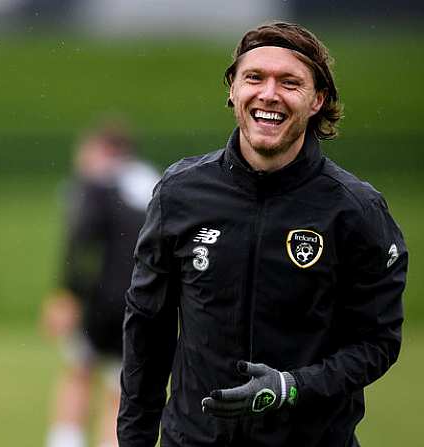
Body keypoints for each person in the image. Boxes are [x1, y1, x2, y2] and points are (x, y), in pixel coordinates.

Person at [118, 22, 407, 447]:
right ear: (233, 90)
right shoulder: (180, 194)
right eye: (254, 78)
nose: (269, 94)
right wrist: (134, 440)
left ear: (317, 101)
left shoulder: (355, 210)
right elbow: (147, 328)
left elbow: (377, 342)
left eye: (290, 82)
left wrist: (291, 387)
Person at [42, 121, 160, 447]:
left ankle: (64, 441)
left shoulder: (97, 184)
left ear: (105, 150)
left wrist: (67, 293)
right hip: (143, 300)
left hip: (101, 300)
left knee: (78, 370)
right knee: (120, 389)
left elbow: (81, 242)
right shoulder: (155, 182)